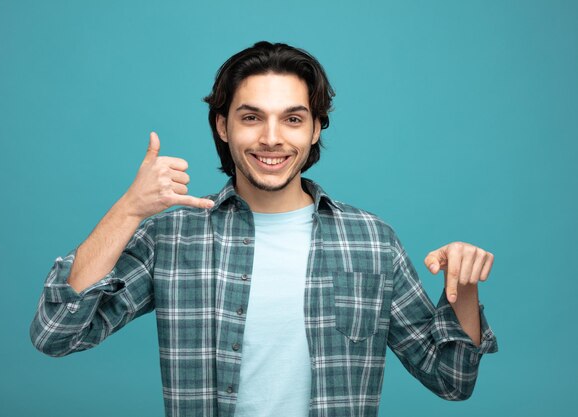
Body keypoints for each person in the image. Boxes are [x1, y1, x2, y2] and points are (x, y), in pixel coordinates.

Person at [30, 41, 498, 417]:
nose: (272, 138)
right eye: (251, 117)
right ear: (222, 126)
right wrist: (129, 209)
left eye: (292, 119)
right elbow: (57, 334)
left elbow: (451, 380)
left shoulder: (372, 241)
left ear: (315, 129)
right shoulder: (173, 239)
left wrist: (466, 289)